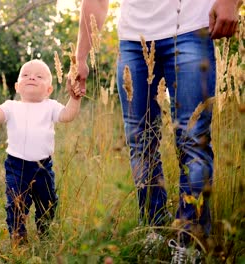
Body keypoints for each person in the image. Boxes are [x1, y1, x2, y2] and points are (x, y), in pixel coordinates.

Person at [74, 0, 240, 260]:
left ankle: (190, 241)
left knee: (192, 140)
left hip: (191, 29)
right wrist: (81, 57)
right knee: (140, 143)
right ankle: (155, 228)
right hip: (132, 39)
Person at [0, 59, 83, 244]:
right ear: (17, 86)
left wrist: (75, 98)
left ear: (49, 89)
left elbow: (67, 115)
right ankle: (19, 240)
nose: (32, 77)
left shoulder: (51, 106)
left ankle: (45, 233)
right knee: (16, 205)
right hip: (16, 166)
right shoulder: (11, 106)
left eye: (39, 76)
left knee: (47, 203)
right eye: (25, 75)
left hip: (43, 167)